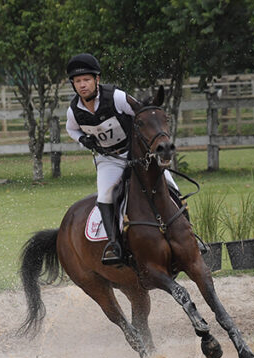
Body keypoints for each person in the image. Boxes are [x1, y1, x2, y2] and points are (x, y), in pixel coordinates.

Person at [65, 53, 184, 265]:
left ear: (97, 80)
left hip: (136, 155)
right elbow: (71, 130)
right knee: (105, 196)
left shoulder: (117, 97)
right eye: (78, 81)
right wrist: (83, 139)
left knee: (170, 185)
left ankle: (189, 237)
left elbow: (144, 114)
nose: (82, 85)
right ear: (73, 85)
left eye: (86, 80)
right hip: (109, 159)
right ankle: (114, 245)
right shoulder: (74, 111)